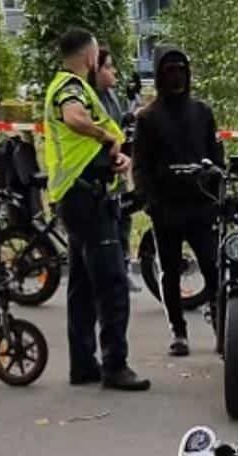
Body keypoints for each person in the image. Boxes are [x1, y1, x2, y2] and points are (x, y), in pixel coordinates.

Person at [43, 27, 150, 391]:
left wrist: (114, 155)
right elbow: (74, 117)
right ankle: (115, 366)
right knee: (113, 284)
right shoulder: (71, 88)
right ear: (90, 58)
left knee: (83, 285)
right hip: (85, 197)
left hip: (77, 196)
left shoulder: (65, 84)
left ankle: (83, 363)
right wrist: (107, 138)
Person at [133, 45, 223, 357]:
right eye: (169, 70)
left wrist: (216, 192)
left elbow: (216, 156)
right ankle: (179, 331)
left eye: (181, 69)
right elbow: (141, 167)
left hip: (201, 206)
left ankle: (222, 325)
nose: (176, 76)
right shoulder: (148, 118)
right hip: (167, 209)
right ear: (159, 75)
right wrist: (152, 203)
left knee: (213, 266)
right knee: (170, 271)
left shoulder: (202, 112)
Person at [92, 46, 142, 293]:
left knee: (124, 220)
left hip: (116, 171)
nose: (114, 71)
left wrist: (132, 110)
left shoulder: (110, 94)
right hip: (98, 175)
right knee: (106, 228)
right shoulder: (90, 98)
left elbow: (117, 123)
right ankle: (112, 276)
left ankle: (124, 268)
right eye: (109, 66)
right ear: (96, 69)